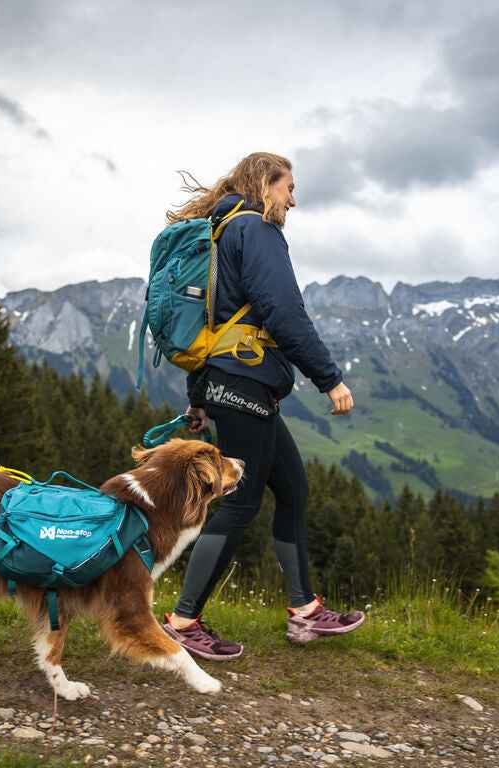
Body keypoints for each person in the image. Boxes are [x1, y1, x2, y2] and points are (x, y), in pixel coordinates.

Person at [160, 152, 364, 660]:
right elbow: (283, 311)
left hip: (231, 384)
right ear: (264, 184)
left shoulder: (221, 230)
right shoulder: (255, 228)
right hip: (244, 385)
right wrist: (329, 378)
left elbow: (211, 324)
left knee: (292, 488)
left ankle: (304, 610)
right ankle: (183, 621)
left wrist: (199, 398)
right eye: (288, 187)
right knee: (241, 501)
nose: (293, 200)